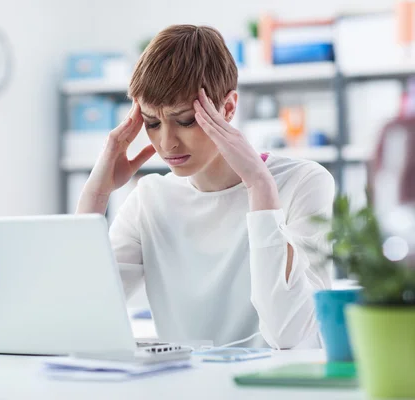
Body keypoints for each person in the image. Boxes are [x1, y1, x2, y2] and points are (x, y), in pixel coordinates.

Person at [76, 24, 335, 349]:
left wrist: (259, 188)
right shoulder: (149, 199)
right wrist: (95, 196)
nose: (167, 143)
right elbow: (82, 315)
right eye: (153, 123)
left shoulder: (304, 182)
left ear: (227, 108)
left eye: (185, 120)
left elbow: (291, 336)